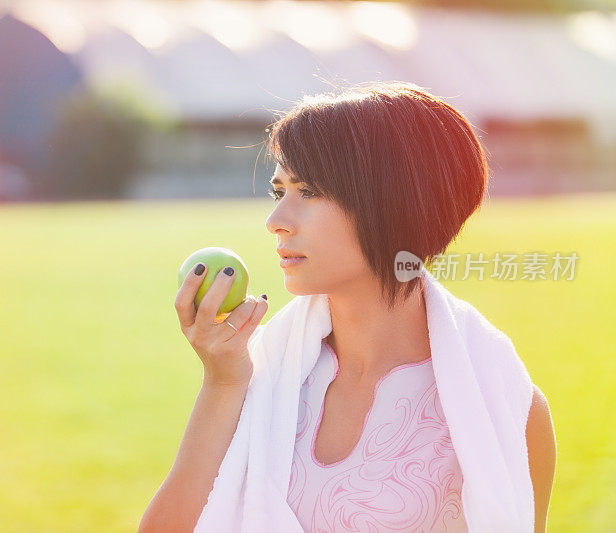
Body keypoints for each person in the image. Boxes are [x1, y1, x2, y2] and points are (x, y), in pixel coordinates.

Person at [139, 81, 556, 533]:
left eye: (311, 191)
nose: (275, 222)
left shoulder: (504, 406)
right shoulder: (264, 374)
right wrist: (222, 384)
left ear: (394, 202)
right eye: (280, 192)